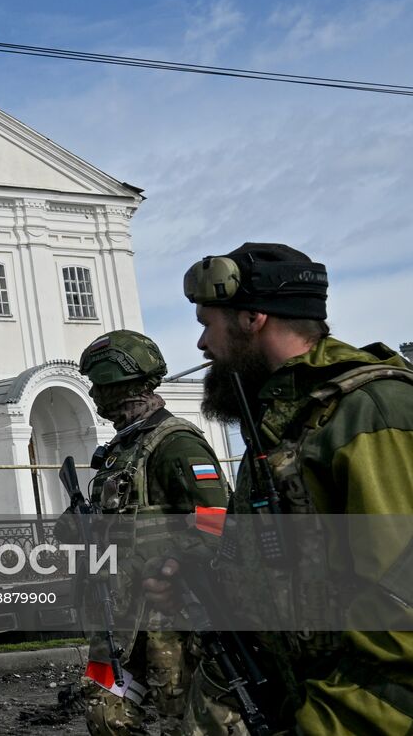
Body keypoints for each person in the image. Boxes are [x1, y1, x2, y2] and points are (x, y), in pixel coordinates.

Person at [161, 242, 413, 734]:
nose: (201, 345)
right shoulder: (282, 425)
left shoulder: (371, 413)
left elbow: (401, 618)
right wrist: (196, 567)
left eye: (206, 324)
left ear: (253, 318)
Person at [66, 330, 230, 736]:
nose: (94, 394)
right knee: (105, 713)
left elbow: (216, 514)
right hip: (118, 614)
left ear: (117, 385)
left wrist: (180, 560)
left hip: (167, 615)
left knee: (182, 717)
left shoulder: (175, 444)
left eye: (99, 385)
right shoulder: (120, 449)